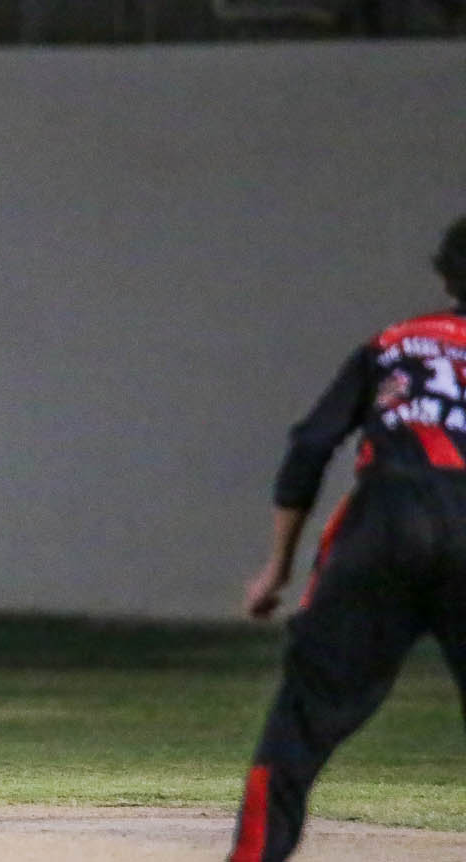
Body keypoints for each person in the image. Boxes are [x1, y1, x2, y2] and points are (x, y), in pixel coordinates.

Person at [229, 215, 466, 862]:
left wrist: (277, 568)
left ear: (447, 277)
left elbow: (311, 445)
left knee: (304, 714)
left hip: (383, 526)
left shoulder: (393, 343)